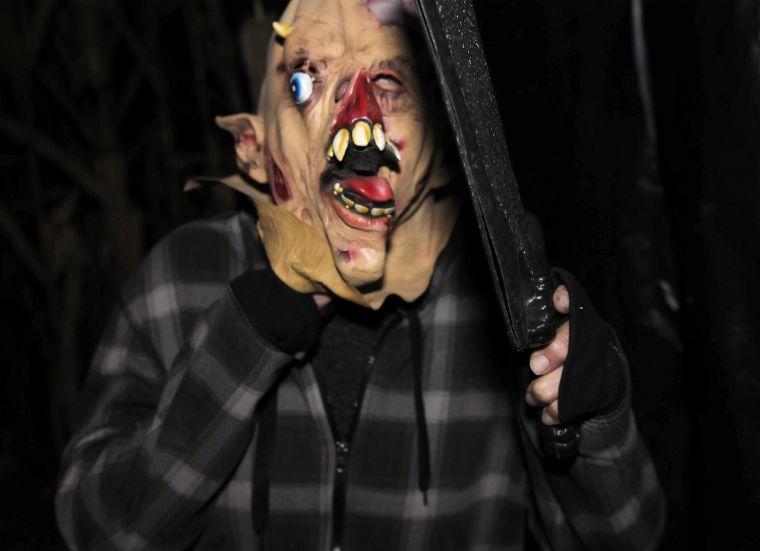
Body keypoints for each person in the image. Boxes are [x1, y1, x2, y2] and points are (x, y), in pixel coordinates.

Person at [56, 0, 665, 549]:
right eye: (304, 81)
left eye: (391, 83)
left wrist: (592, 420)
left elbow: (625, 539)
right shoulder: (181, 280)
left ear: (442, 157)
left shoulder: (496, 304)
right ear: (253, 146)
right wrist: (241, 341)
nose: (357, 116)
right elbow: (96, 530)